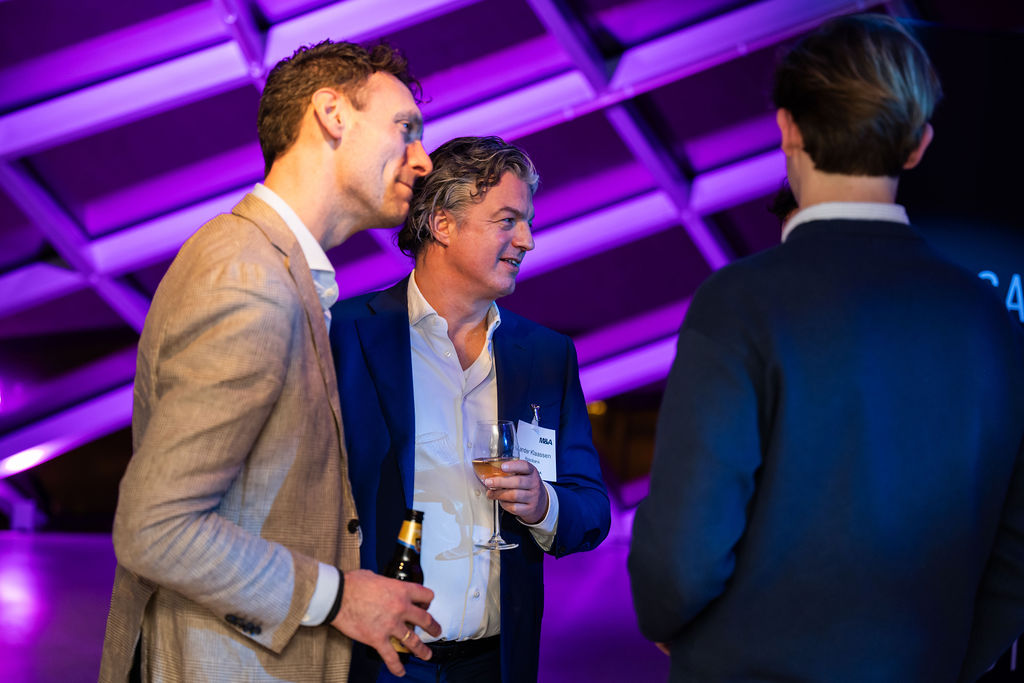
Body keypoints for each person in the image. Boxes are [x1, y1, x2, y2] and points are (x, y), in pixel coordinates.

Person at [628, 14, 1024, 682]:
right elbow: (1016, 549)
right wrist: (944, 659)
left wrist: (675, 619)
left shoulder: (739, 303)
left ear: (787, 127)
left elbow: (681, 559)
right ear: (918, 145)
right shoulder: (991, 322)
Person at [99, 40, 444, 682]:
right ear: (332, 114)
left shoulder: (261, 264)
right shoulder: (249, 279)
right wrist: (339, 597)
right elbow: (155, 528)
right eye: (406, 129)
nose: (423, 159)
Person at [330, 135, 610, 682]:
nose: (527, 240)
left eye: (527, 222)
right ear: (442, 224)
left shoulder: (546, 355)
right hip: (372, 661)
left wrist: (543, 505)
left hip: (494, 665)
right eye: (508, 221)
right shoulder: (343, 335)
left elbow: (592, 510)